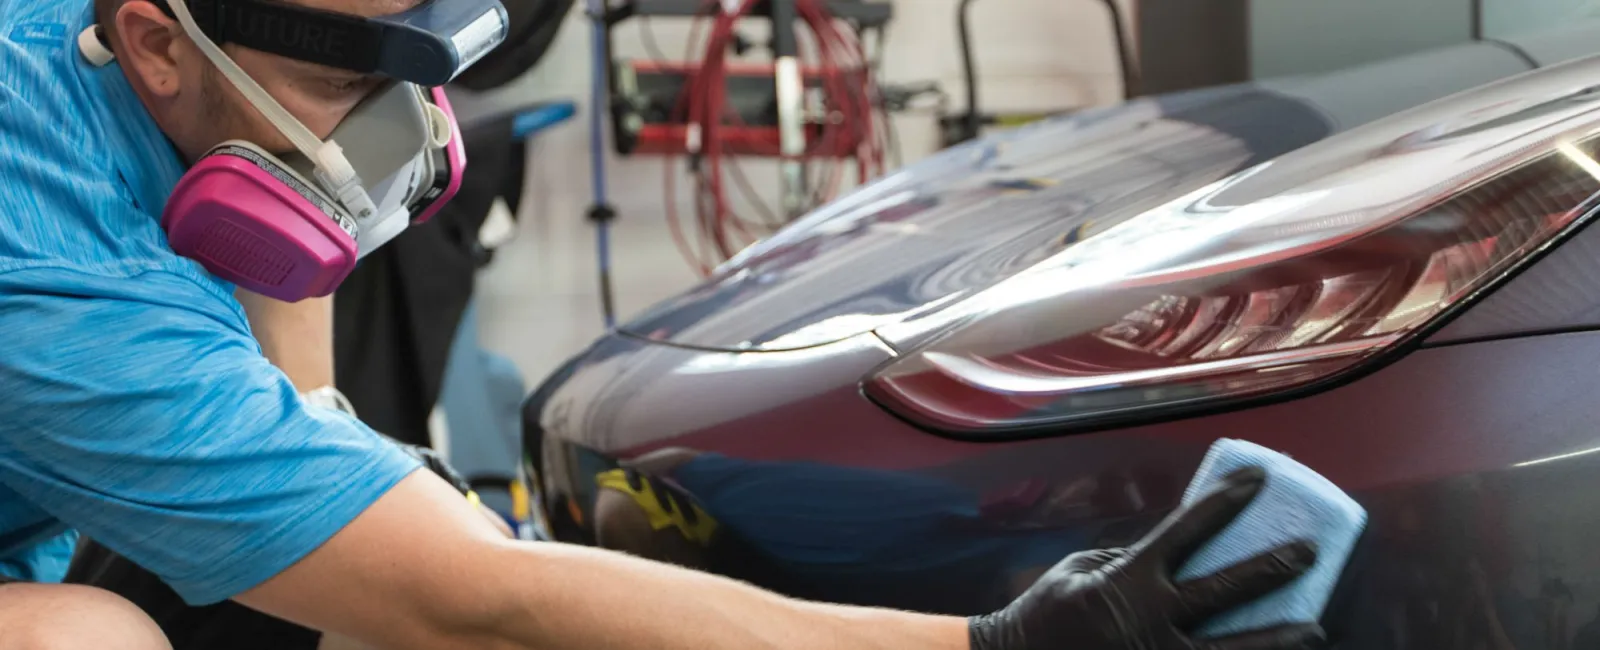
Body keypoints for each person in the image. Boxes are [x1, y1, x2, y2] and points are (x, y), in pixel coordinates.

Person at [0, 1, 1328, 649]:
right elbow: (474, 603)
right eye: (352, 84)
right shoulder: (67, 295)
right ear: (159, 42)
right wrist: (991, 646)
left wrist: (347, 460)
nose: (393, 146)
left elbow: (292, 300)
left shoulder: (91, 55)